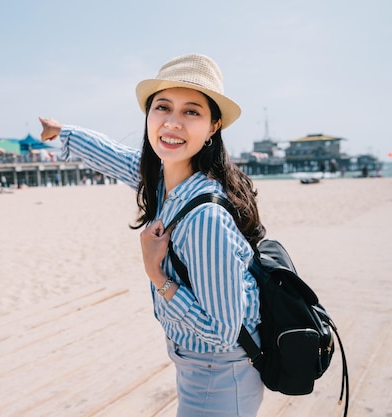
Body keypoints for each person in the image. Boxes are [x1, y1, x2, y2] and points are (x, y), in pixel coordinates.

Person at [40, 53, 266, 416]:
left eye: (191, 111)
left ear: (213, 127)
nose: (172, 122)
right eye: (163, 107)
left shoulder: (205, 217)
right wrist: (64, 133)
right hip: (199, 367)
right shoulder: (166, 181)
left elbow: (223, 331)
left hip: (221, 374)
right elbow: (115, 157)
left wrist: (156, 274)